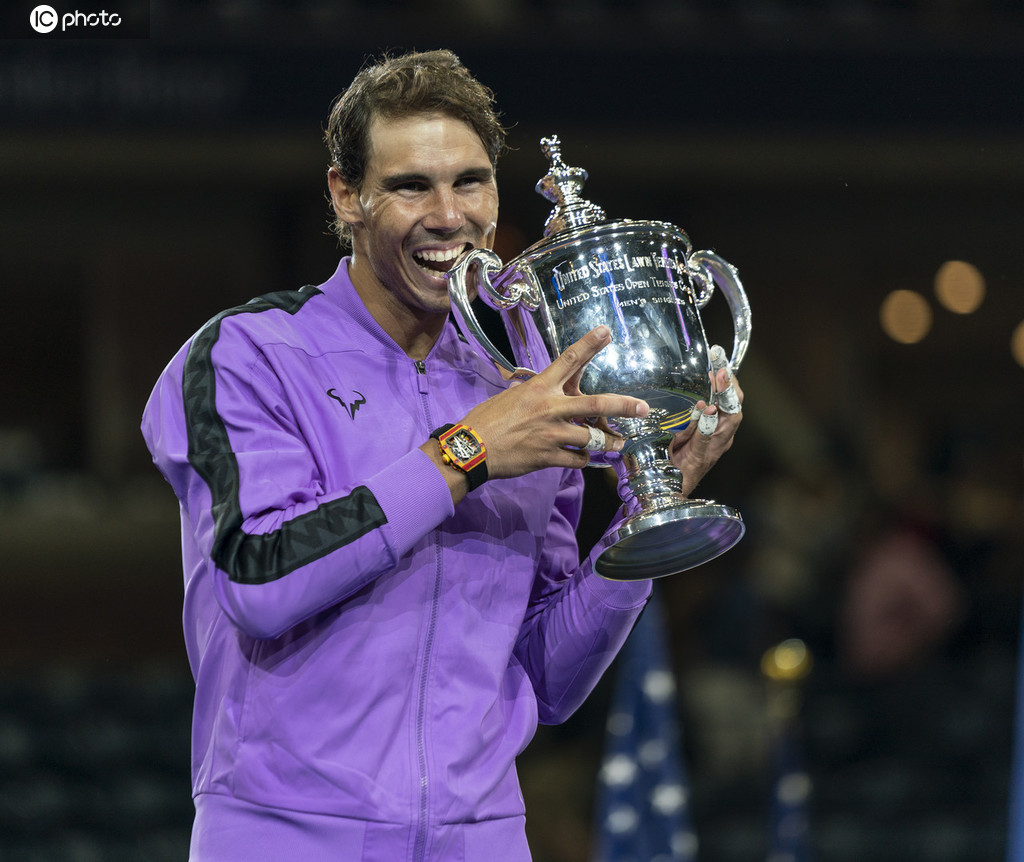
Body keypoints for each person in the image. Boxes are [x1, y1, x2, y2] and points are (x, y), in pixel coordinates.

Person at [141, 48, 743, 862]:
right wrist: (467, 453)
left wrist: (644, 519)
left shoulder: (527, 384)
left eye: (470, 182)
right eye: (410, 186)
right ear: (345, 194)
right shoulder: (250, 354)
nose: (448, 215)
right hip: (285, 834)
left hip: (482, 838)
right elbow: (258, 580)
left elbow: (547, 680)